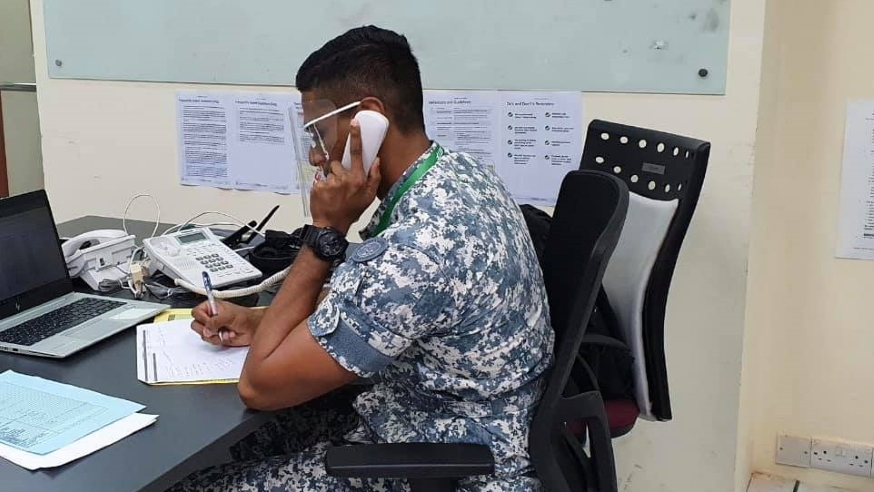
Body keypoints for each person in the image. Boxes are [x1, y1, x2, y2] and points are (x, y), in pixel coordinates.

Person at [169, 25, 553, 492]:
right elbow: (375, 302)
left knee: (189, 482)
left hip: (443, 463)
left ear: (367, 121)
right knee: (220, 454)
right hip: (444, 424)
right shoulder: (457, 174)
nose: (314, 155)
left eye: (318, 133)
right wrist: (259, 321)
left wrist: (325, 232)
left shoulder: (418, 250)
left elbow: (260, 387)